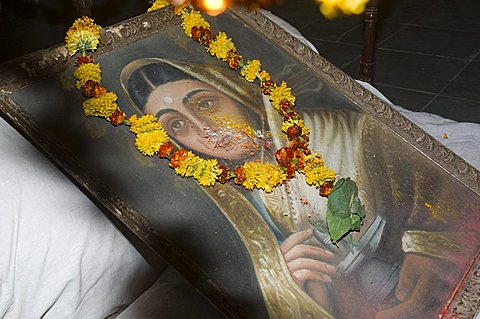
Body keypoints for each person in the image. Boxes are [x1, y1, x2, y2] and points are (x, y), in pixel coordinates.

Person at [120, 57, 478, 319]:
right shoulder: (227, 194)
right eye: (178, 125)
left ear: (235, 92)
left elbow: (440, 196)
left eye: (206, 104)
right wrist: (284, 278)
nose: (204, 129)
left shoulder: (346, 132)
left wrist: (426, 250)